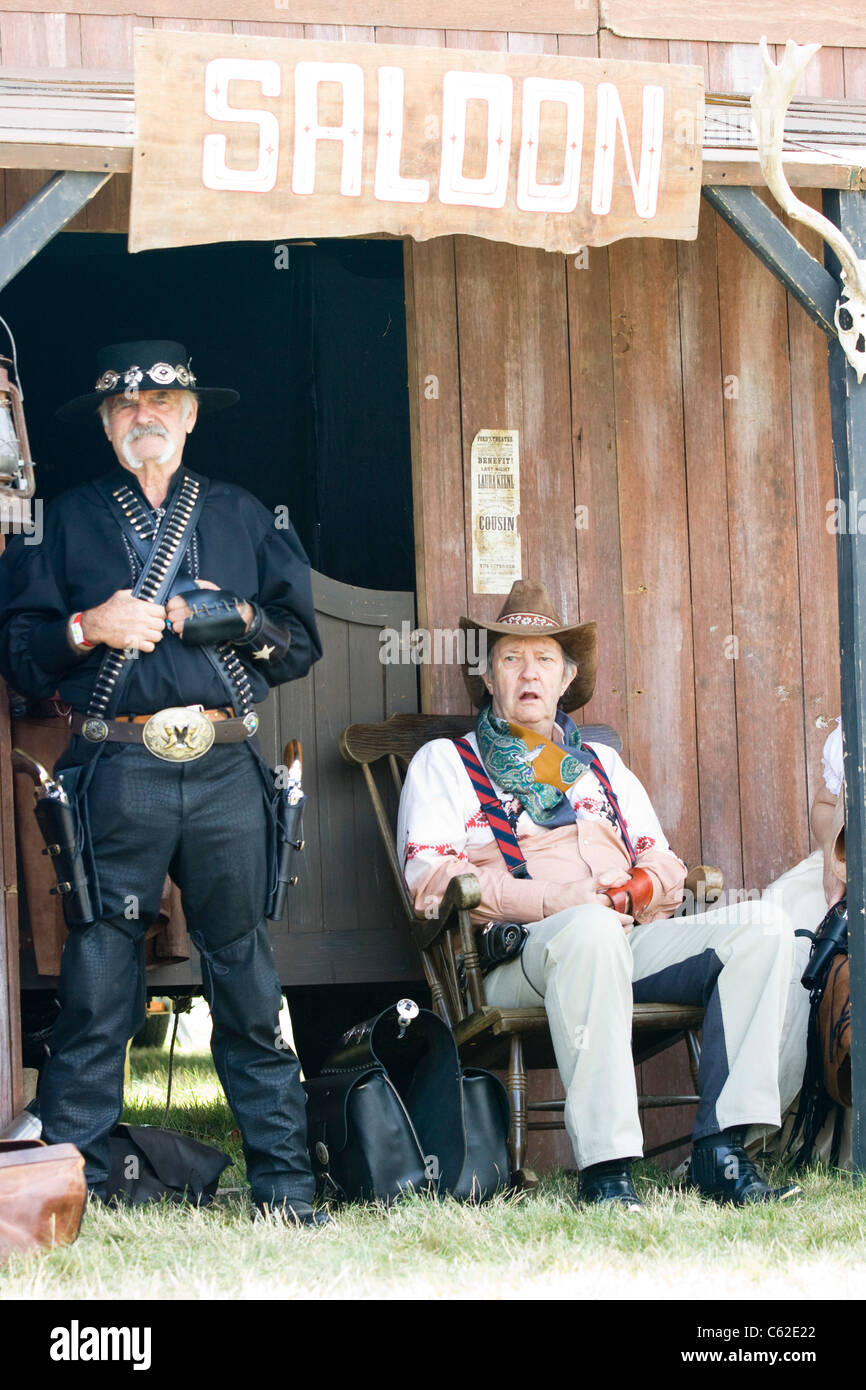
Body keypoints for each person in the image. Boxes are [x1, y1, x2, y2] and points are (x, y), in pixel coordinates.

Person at [0, 341, 325, 1222]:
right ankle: (77, 1197)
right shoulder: (61, 522)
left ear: (189, 415)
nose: (145, 414)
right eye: (125, 405)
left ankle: (287, 1192)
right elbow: (17, 650)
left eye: (163, 400)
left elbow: (299, 644)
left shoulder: (243, 514)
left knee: (249, 986)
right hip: (114, 763)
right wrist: (86, 627)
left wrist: (241, 617)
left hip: (224, 766)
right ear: (107, 427)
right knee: (100, 986)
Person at [397, 579, 801, 1209]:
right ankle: (608, 1174)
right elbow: (431, 887)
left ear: (567, 677)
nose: (528, 672)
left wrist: (633, 889)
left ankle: (721, 1153)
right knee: (585, 933)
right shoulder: (445, 763)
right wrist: (560, 903)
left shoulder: (602, 767)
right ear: (487, 675)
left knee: (765, 927)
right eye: (510, 658)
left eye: (545, 659)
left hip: (623, 940)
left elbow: (663, 859)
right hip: (517, 958)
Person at [745, 718, 851, 1167]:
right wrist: (835, 856)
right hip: (847, 855)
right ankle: (770, 1125)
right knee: (784, 914)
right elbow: (826, 805)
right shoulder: (855, 714)